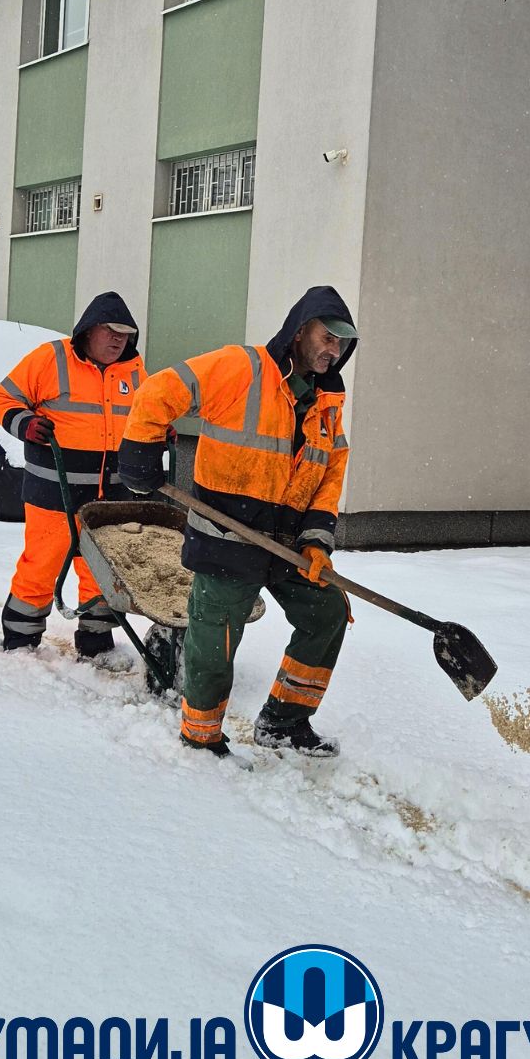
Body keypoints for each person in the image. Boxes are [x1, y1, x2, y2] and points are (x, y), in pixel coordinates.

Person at [117, 285, 358, 759]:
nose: (333, 350)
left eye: (341, 342)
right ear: (299, 331)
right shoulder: (242, 368)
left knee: (327, 612)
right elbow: (160, 390)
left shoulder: (327, 403)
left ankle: (284, 723)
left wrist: (316, 541)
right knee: (216, 639)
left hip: (287, 544)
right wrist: (140, 451)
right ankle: (201, 735)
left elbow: (330, 474)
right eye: (326, 337)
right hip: (227, 535)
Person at [0, 292, 146, 664]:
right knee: (43, 563)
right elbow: (3, 397)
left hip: (109, 495)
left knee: (102, 567)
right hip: (53, 490)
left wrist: (157, 431)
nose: (118, 339)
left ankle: (96, 640)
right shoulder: (51, 358)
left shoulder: (135, 371)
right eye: (110, 331)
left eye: (125, 334)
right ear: (89, 330)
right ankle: (20, 639)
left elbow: (147, 414)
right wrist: (26, 424)